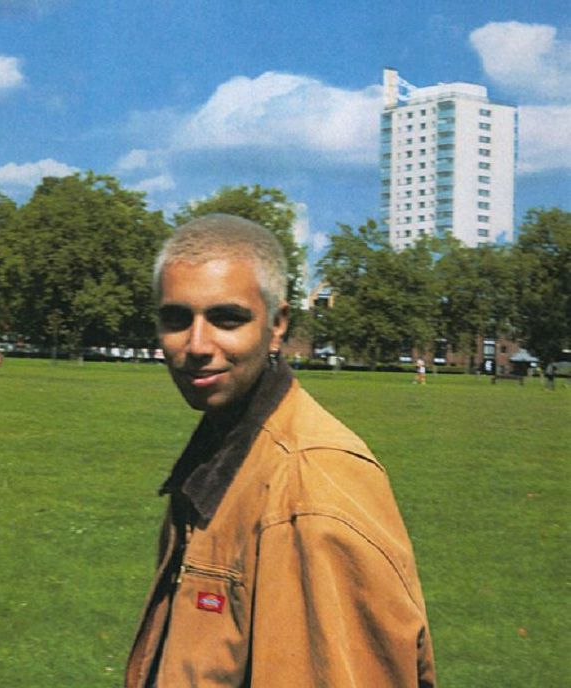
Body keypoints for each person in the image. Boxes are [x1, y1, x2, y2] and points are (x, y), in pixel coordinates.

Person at [125, 214, 436, 687]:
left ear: (277, 325)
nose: (196, 344)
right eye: (176, 319)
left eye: (227, 319)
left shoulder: (307, 488)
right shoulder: (223, 449)